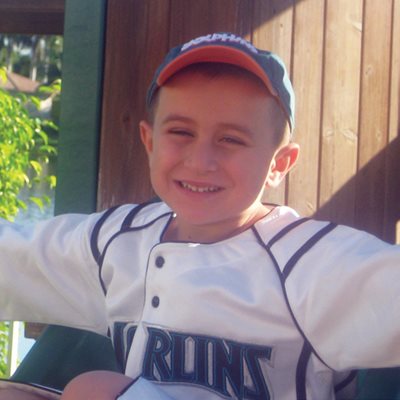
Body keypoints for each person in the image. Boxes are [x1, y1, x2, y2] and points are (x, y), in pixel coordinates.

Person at [0, 32, 399, 400]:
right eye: (181, 133)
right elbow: (12, 259)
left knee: (94, 390)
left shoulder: (310, 263)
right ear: (150, 141)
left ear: (280, 163)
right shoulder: (119, 240)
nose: (200, 160)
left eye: (231, 139)